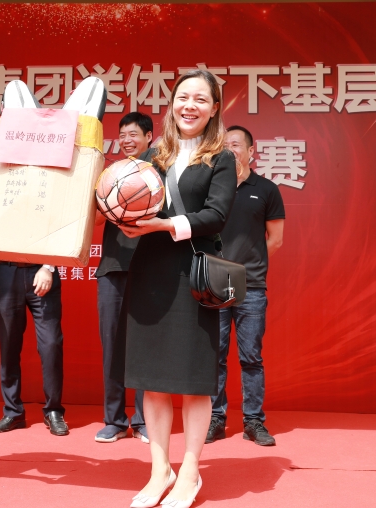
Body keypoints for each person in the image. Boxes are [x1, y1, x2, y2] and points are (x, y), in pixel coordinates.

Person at [120, 70, 237, 508]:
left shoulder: (221, 157)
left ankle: (189, 472)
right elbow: (127, 196)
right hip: (149, 273)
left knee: (193, 381)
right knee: (152, 381)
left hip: (193, 275)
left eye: (200, 99)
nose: (190, 106)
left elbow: (217, 215)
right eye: (183, 97)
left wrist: (164, 225)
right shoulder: (153, 155)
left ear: (214, 108)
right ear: (171, 104)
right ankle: (159, 470)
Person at [206, 125, 285, 446]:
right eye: (224, 145)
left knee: (251, 357)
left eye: (236, 144)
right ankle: (216, 419)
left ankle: (253, 421)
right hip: (214, 284)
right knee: (215, 355)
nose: (230, 149)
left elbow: (275, 239)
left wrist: (247, 266)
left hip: (251, 286)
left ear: (251, 151)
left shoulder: (266, 189)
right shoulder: (212, 189)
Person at [93, 112, 153, 443]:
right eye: (123, 135)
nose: (127, 140)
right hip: (112, 267)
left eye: (134, 134)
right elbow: (96, 221)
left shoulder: (159, 173)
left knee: (144, 346)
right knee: (112, 346)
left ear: (149, 137)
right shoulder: (110, 174)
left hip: (149, 268)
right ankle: (114, 420)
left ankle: (143, 421)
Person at [0, 257, 68, 436]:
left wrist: (48, 266)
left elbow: (59, 239)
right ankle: (13, 411)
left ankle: (54, 410)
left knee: (51, 345)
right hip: (7, 272)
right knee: (8, 345)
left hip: (42, 271)